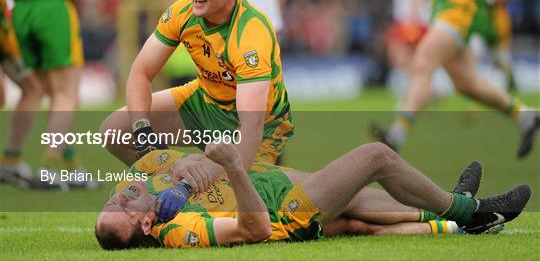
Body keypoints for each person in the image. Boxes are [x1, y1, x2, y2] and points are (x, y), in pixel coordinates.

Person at [100, 0, 293, 195]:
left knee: (228, 193)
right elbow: (140, 73)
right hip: (205, 101)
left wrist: (232, 179)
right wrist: (143, 133)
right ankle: (175, 182)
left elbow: (251, 125)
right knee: (114, 131)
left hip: (258, 125)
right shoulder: (182, 11)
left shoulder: (250, 33)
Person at [95, 143, 528, 249]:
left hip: (275, 182)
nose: (116, 200)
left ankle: (457, 213)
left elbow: (173, 159)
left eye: (111, 203)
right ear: (147, 226)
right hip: (286, 210)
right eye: (122, 210)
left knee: (361, 208)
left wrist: (186, 175)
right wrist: (231, 167)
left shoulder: (140, 191)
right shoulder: (179, 230)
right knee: (374, 157)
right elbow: (255, 227)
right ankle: (471, 208)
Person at [371, 0, 540, 158]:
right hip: (442, 10)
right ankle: (525, 116)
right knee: (466, 84)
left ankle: (395, 136)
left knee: (423, 61)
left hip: (461, 9)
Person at [6, 0, 98, 188]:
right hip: (53, 7)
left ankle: (70, 166)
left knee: (45, 90)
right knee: (66, 92)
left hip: (21, 10)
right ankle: (49, 168)